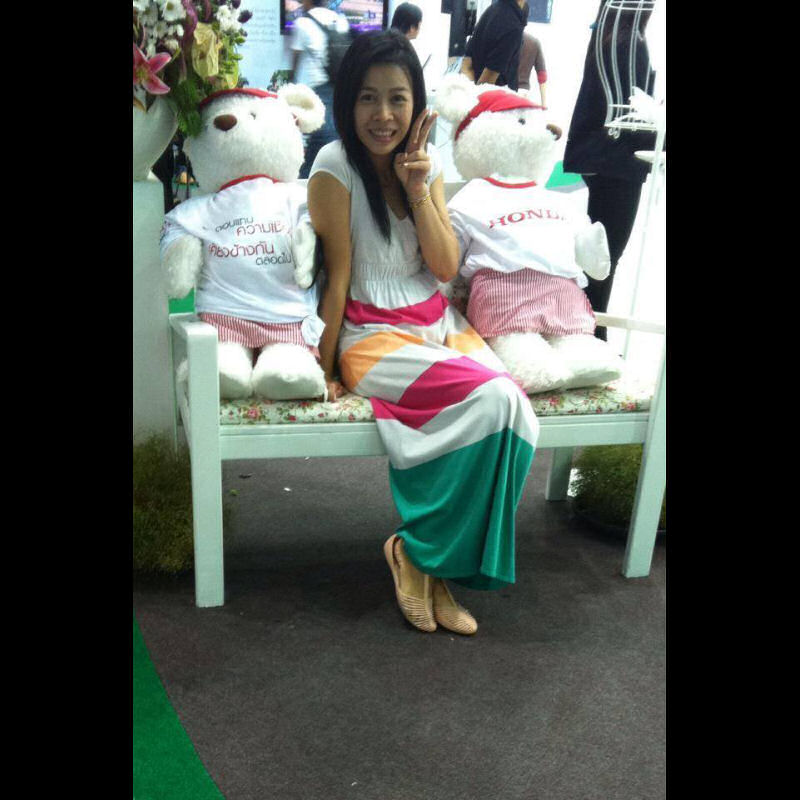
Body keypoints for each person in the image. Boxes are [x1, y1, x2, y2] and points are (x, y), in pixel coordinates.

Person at [306, 30, 540, 635]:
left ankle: (424, 561)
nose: (383, 115)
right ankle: (424, 556)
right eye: (367, 98)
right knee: (492, 398)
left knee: (515, 412)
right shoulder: (334, 166)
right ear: (346, 101)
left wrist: (418, 189)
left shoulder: (424, 164)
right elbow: (337, 278)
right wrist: (324, 370)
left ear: (417, 103)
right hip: (370, 336)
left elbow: (442, 266)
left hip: (437, 324)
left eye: (397, 98)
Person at [563, 1, 658, 340]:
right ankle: (589, 334)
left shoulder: (610, 37)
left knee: (600, 254)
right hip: (617, 160)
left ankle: (589, 331)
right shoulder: (629, 41)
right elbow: (627, 113)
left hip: (603, 158)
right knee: (605, 256)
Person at [289, 0, 350, 179]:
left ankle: (305, 180)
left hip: (314, 89)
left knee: (316, 139)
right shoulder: (340, 20)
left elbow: (295, 60)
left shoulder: (302, 23)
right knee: (328, 139)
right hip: (338, 87)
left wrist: (292, 84)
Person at [460, 0, 528, 89]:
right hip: (496, 94)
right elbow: (487, 82)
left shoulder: (493, 9)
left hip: (475, 87)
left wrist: (471, 90)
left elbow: (466, 62)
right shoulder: (512, 26)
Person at [517, 30, 548, 108]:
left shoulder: (506, 38)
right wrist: (544, 104)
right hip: (523, 92)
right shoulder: (534, 42)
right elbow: (542, 75)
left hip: (503, 91)